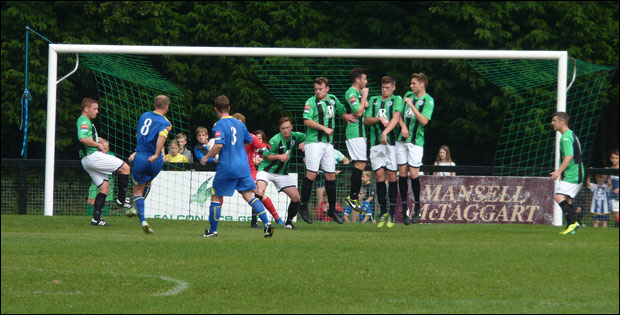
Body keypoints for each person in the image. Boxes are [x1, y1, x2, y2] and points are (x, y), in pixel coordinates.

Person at [200, 95, 275, 238]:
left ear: (215, 109)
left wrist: (206, 156)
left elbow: (219, 145)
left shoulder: (219, 125)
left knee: (216, 196)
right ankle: (267, 224)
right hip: (243, 166)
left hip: (227, 166)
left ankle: (213, 231)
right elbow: (248, 140)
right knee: (248, 195)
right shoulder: (240, 124)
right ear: (229, 108)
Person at [297, 77, 357, 225]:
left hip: (328, 144)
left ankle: (332, 209)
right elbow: (306, 120)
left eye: (320, 89)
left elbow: (341, 111)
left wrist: (345, 116)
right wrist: (324, 128)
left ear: (327, 89)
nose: (318, 92)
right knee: (312, 173)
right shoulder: (310, 102)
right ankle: (303, 206)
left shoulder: (333, 99)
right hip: (314, 143)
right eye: (316, 89)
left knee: (331, 175)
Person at [77, 97, 132, 227]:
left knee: (104, 187)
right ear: (86, 108)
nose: (97, 111)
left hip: (86, 160)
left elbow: (86, 137)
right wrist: (98, 145)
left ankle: (96, 219)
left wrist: (97, 138)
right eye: (95, 109)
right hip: (93, 157)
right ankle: (121, 199)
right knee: (125, 168)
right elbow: (83, 139)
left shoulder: (85, 121)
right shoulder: (84, 120)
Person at [129, 95, 173, 234]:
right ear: (166, 107)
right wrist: (157, 154)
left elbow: (145, 135)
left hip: (141, 156)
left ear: (154, 104)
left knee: (137, 191)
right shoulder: (166, 122)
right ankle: (134, 208)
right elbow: (162, 136)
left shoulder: (144, 116)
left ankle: (142, 219)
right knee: (148, 182)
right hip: (156, 160)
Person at [231, 113, 283, 227]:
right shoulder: (229, 137)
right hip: (231, 170)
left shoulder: (250, 137)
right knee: (217, 194)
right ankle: (266, 223)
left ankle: (274, 218)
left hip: (247, 171)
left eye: (241, 124)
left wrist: (261, 157)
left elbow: (265, 149)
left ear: (244, 125)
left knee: (257, 193)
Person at [365, 76, 404, 228]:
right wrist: (379, 119)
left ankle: (392, 213)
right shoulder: (374, 100)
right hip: (376, 145)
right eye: (383, 87)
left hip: (392, 144)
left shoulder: (397, 100)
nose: (384, 89)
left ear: (393, 88)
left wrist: (385, 132)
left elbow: (395, 119)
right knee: (379, 176)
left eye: (387, 87)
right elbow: (367, 120)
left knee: (392, 176)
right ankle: (383, 212)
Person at [396, 73, 435, 225]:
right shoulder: (407, 95)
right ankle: (405, 208)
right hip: (401, 140)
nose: (410, 86)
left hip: (416, 142)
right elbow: (398, 114)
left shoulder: (428, 100)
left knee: (414, 174)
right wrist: (403, 126)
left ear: (421, 84)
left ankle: (417, 206)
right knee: (403, 174)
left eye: (413, 83)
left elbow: (424, 121)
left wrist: (411, 105)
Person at [255, 117, 306, 230]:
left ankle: (288, 223)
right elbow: (266, 155)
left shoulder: (296, 136)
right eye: (283, 128)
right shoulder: (275, 140)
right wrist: (279, 156)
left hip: (282, 173)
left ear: (291, 127)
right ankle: (255, 222)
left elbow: (310, 137)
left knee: (296, 197)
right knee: (260, 192)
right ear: (280, 129)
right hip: (266, 170)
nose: (285, 130)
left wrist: (304, 142)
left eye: (287, 128)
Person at [550, 112, 585, 235]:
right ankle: (571, 226)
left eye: (554, 121)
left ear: (562, 122)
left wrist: (558, 171)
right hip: (576, 172)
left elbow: (569, 155)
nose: (552, 123)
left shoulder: (565, 137)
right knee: (567, 200)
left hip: (573, 173)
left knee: (559, 197)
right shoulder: (571, 134)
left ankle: (574, 222)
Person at [343, 68, 370, 214]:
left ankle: (352, 196)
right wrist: (364, 97)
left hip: (360, 133)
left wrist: (363, 100)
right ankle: (352, 196)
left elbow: (363, 107)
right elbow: (358, 113)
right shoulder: (352, 92)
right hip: (355, 133)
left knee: (361, 163)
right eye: (364, 79)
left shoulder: (357, 94)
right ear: (358, 80)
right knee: (360, 163)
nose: (366, 82)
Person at [85, 139, 115, 216]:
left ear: (108, 148)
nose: (103, 150)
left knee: (105, 201)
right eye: (102, 148)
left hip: (108, 182)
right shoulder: (95, 155)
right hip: (95, 181)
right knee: (91, 200)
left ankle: (103, 216)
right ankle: (89, 216)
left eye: (106, 149)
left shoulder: (111, 156)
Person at [609, 149, 619, 228]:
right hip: (612, 194)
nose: (615, 160)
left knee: (617, 212)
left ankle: (617, 226)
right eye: (613, 158)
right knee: (615, 211)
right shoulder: (610, 169)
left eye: (616, 158)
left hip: (618, 194)